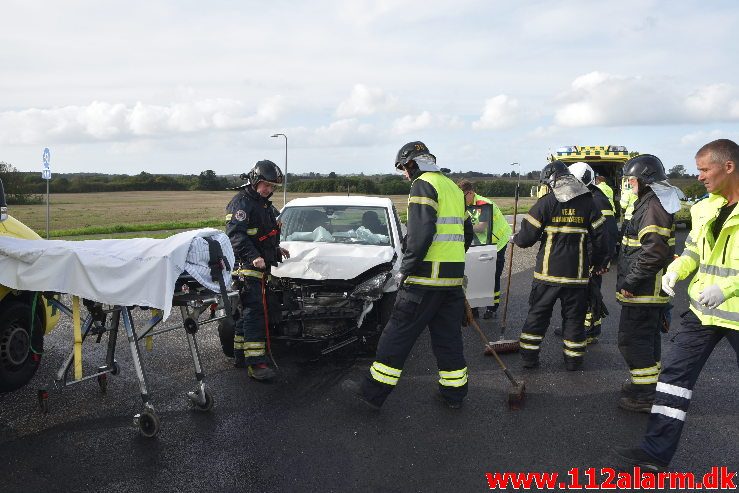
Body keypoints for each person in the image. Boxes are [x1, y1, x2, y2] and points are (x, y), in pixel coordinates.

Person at [614, 139, 739, 472]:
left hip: (734, 311)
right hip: (703, 311)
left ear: (728, 167)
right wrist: (675, 271)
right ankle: (655, 454)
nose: (698, 177)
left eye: (703, 169)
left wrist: (726, 288)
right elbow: (694, 252)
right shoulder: (708, 209)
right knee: (673, 378)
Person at [342, 141, 473, 409]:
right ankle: (454, 395)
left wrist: (406, 269)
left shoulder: (423, 185)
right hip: (451, 283)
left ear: (413, 163)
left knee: (396, 335)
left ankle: (371, 394)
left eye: (404, 167)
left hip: (424, 280)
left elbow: (420, 235)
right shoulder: (452, 188)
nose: (404, 174)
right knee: (448, 341)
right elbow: (467, 234)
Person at [514, 161, 608, 370]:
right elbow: (602, 237)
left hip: (548, 275)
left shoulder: (546, 203)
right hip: (577, 276)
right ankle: (573, 360)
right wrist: (600, 262)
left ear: (551, 181)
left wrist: (515, 238)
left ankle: (529, 358)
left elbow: (526, 238)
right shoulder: (588, 203)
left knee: (538, 315)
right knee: (574, 319)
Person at [615, 154, 679, 413]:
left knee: (632, 340)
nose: (629, 185)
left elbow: (653, 252)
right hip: (648, 290)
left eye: (631, 180)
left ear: (644, 180)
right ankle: (646, 385)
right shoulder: (649, 202)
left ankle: (645, 396)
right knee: (648, 339)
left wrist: (630, 281)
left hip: (644, 290)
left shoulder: (652, 206)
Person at [226, 159, 290, 381]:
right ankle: (257, 364)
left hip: (260, 266)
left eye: (272, 187)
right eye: (266, 185)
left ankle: (240, 356)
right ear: (254, 180)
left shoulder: (263, 204)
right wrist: (254, 257)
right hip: (247, 268)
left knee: (248, 314)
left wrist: (276, 248)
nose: (269, 190)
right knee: (255, 314)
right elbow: (236, 235)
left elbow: (263, 232)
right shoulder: (241, 204)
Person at [569, 162, 618, 344]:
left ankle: (588, 331)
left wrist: (603, 261)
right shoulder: (589, 196)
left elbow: (609, 232)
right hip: (586, 255)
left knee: (589, 294)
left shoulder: (597, 200)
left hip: (592, 257)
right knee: (586, 293)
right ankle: (585, 327)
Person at [457, 179, 512, 319]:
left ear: (470, 193)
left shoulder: (482, 204)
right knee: (474, 275)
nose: (460, 199)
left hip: (498, 242)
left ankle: (492, 308)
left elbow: (480, 230)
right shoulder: (464, 203)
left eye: (462, 196)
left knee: (492, 275)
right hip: (480, 242)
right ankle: (474, 307)